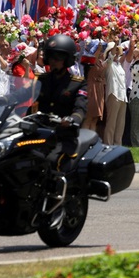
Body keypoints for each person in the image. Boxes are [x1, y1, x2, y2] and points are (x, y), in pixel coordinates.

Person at [34, 34, 88, 184]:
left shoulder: (77, 83)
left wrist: (73, 119)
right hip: (40, 132)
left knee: (52, 161)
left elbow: (80, 107)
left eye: (58, 58)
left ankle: (54, 197)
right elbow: (23, 96)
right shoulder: (41, 80)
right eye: (51, 57)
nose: (53, 61)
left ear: (67, 60)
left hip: (63, 136)